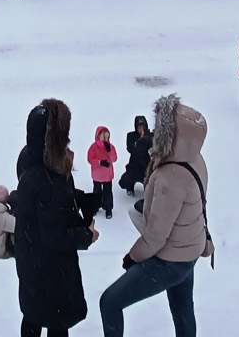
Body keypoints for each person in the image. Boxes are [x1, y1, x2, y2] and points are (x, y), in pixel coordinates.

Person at [98, 94, 209, 337]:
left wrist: (133, 257)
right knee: (182, 310)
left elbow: (156, 237)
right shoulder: (195, 159)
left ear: (172, 135)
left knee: (110, 303)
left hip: (170, 260)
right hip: (190, 250)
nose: (155, 129)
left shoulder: (169, 178)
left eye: (162, 126)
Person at [9, 99, 97, 337]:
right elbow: (54, 236)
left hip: (29, 258)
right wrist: (87, 235)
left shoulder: (30, 160)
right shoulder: (49, 179)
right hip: (51, 270)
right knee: (57, 320)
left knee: (32, 315)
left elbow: (44, 209)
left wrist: (77, 198)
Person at [86, 128, 118, 218]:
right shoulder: (94, 147)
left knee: (107, 192)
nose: (106, 139)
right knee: (97, 192)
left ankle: (108, 208)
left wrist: (109, 151)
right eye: (104, 137)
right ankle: (95, 207)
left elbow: (114, 158)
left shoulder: (110, 147)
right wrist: (100, 162)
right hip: (97, 175)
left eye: (107, 137)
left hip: (107, 175)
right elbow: (90, 159)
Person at [118, 116, 152, 195]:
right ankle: (130, 188)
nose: (141, 129)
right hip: (134, 166)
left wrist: (146, 139)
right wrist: (141, 141)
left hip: (146, 166)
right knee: (125, 181)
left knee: (149, 181)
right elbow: (131, 149)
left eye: (143, 127)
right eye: (139, 127)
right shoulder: (131, 136)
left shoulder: (150, 137)